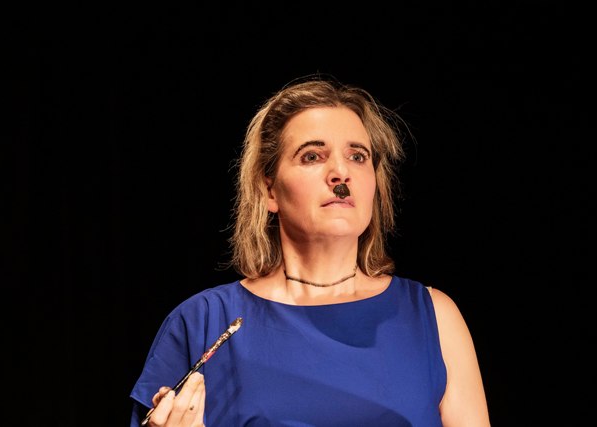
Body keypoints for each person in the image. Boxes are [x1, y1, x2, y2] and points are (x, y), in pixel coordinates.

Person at [129, 75, 491, 426]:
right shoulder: (203, 323)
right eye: (312, 156)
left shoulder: (434, 317)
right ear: (269, 191)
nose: (340, 173)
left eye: (358, 156)